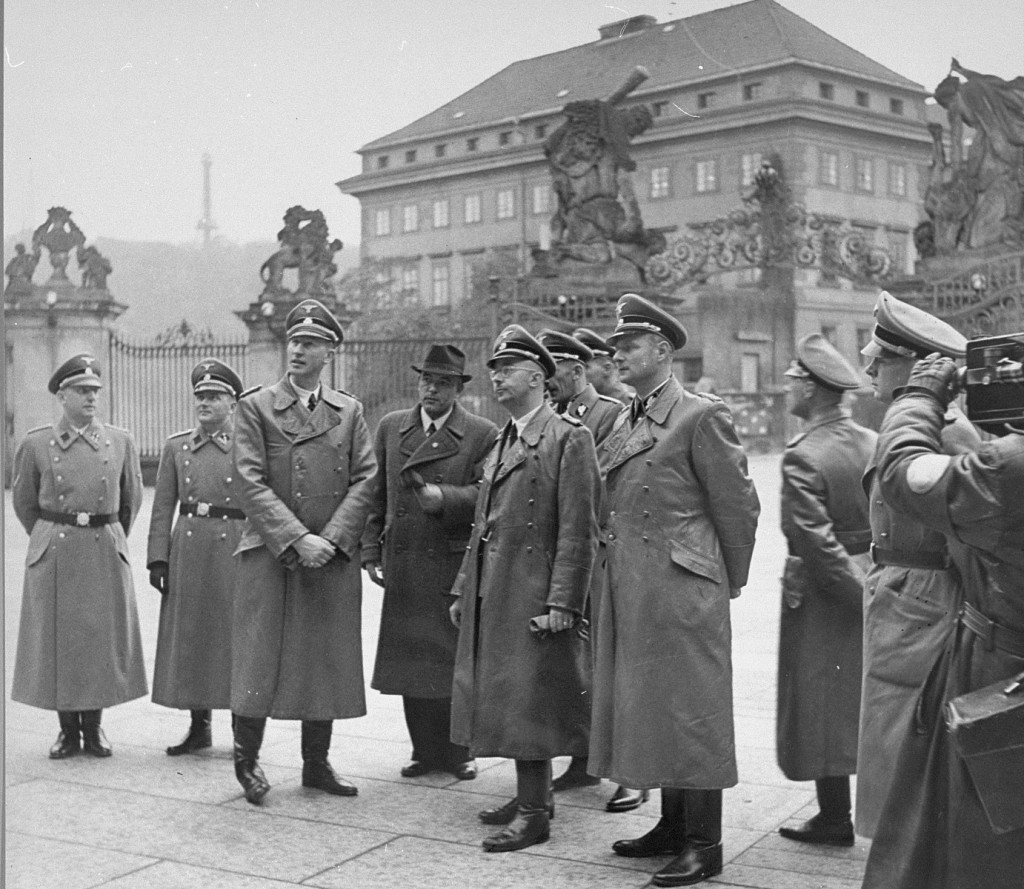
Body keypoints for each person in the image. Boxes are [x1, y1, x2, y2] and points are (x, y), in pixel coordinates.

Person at [590, 294, 760, 887]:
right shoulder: (627, 418)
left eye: (628, 345)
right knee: (655, 706)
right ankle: (671, 826)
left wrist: (723, 579)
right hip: (636, 586)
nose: (616, 355)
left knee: (694, 712)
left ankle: (705, 843)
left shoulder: (699, 416)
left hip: (683, 589)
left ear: (662, 351)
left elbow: (738, 506)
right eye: (615, 347)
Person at [862, 353, 1024, 889]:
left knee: (974, 839)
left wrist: (920, 397)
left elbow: (902, 473)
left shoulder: (1011, 466)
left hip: (1001, 669)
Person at [449, 325, 601, 853]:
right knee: (510, 695)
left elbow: (580, 529)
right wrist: (463, 587)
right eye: (494, 370)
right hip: (497, 585)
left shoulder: (569, 437)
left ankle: (535, 813)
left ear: (537, 378)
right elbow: (484, 523)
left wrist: (563, 601)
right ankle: (532, 797)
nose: (496, 378)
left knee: (529, 699)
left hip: (534, 589)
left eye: (506, 369)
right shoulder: (506, 436)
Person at [230, 298, 377, 805]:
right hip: (272, 551)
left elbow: (366, 478)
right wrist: (296, 538)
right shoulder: (255, 407)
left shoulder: (349, 411)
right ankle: (247, 763)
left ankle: (316, 764)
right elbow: (248, 481)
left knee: (323, 658)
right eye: (294, 341)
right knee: (258, 657)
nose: (297, 350)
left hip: (329, 555)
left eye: (309, 343)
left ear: (329, 353)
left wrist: (331, 540)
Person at [856, 291, 980, 838]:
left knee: (909, 732)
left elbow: (969, 536)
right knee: (890, 730)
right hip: (899, 594)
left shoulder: (948, 432)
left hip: (926, 601)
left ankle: (905, 849)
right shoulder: (906, 424)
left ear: (916, 366)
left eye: (881, 360)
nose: (868, 369)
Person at [361, 344, 498, 780]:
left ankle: (459, 752)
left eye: (443, 383)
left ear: (458, 389)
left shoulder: (481, 433)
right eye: (426, 380)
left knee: (450, 663)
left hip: (450, 563)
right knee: (411, 663)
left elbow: (490, 495)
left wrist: (446, 498)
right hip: (404, 560)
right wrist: (370, 550)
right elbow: (376, 492)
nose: (432, 390)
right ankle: (423, 750)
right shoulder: (392, 427)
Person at [11, 354, 146, 758]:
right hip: (57, 550)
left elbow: (131, 500)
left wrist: (109, 535)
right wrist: (51, 536)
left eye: (95, 391)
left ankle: (94, 729)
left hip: (102, 547)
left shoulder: (119, 441)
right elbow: (24, 502)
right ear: (62, 396)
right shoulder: (36, 444)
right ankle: (68, 732)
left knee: (99, 641)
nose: (91, 398)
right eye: (82, 391)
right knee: (60, 642)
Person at [537, 328, 649, 813]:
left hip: (602, 556)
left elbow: (605, 486)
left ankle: (633, 773)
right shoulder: (551, 416)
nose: (545, 378)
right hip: (565, 555)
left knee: (613, 663)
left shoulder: (609, 414)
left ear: (576, 369)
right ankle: (585, 757)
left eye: (553, 368)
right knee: (576, 665)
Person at [776, 335, 876, 847]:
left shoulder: (803, 455)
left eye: (794, 377)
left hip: (821, 594)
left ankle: (835, 816)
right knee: (862, 699)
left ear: (812, 388)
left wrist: (858, 596)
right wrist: (872, 594)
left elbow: (814, 543)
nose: (787, 385)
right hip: (872, 576)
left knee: (820, 704)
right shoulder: (872, 440)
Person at [146, 358, 246, 756]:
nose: (204, 402)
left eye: (214, 396)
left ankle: (242, 730)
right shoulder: (177, 447)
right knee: (192, 637)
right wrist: (158, 558)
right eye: (200, 396)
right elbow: (162, 507)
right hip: (188, 549)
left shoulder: (248, 445)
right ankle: (199, 726)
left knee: (234, 637)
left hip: (233, 547)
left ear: (232, 404)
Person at [574, 327, 633, 405]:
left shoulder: (632, 405)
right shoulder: (578, 404)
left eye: (586, 367)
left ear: (607, 369)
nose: (577, 373)